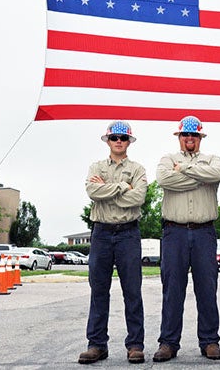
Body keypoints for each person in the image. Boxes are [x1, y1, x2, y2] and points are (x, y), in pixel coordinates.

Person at [153, 116, 220, 362]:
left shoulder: (212, 159)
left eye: (194, 135)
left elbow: (217, 174)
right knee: (173, 288)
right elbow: (164, 179)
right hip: (174, 232)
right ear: (179, 137)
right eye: (185, 135)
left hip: (205, 231)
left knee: (207, 287)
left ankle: (210, 341)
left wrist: (183, 170)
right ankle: (168, 342)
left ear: (200, 137)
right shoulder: (167, 159)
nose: (189, 139)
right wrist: (198, 177)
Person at [78, 121, 148, 365]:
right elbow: (92, 192)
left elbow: (137, 198)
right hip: (101, 233)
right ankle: (97, 344)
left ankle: (135, 345)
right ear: (107, 141)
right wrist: (121, 187)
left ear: (129, 142)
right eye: (115, 137)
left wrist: (106, 188)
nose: (119, 141)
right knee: (99, 290)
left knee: (132, 290)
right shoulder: (95, 166)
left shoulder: (138, 169)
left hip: (128, 233)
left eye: (124, 138)